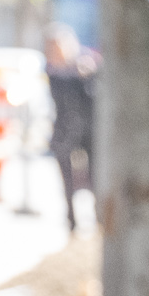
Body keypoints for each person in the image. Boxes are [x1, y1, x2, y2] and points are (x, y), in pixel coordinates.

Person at [42, 26, 96, 237]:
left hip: (87, 132)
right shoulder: (54, 72)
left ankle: (97, 218)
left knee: (94, 176)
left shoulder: (86, 66)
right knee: (67, 181)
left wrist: (87, 73)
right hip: (64, 132)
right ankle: (72, 220)